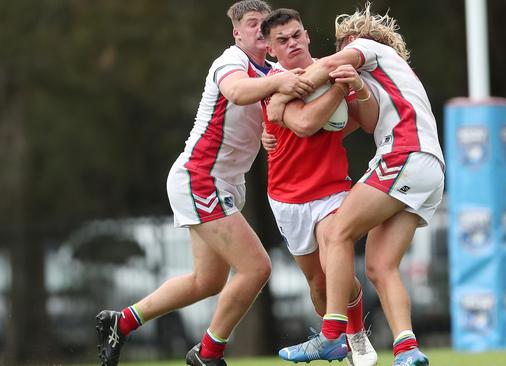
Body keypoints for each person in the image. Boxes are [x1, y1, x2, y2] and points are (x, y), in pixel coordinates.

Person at [94, 2, 316, 366]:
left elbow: (275, 107)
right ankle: (208, 354)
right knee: (257, 267)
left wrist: (269, 127)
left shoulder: (272, 70)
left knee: (207, 281)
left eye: (265, 24)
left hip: (222, 184)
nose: (260, 30)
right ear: (237, 33)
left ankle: (122, 322)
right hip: (201, 179)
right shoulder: (230, 62)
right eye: (252, 24)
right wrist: (278, 84)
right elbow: (237, 92)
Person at [268, 3, 445, 366]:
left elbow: (330, 66)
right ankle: (407, 350)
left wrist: (282, 93)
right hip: (427, 168)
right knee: (381, 265)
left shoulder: (372, 50)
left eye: (342, 46)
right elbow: (365, 120)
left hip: (404, 155)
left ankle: (332, 335)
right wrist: (356, 89)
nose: (337, 53)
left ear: (354, 40)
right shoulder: (385, 77)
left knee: (337, 234)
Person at [259, 9, 378, 366]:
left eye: (296, 35)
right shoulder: (274, 83)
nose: (291, 43)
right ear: (270, 49)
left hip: (331, 190)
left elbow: (366, 122)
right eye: (282, 40)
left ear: (307, 35)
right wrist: (340, 88)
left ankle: (351, 336)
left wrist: (353, 88)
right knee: (319, 285)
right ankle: (338, 341)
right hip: (287, 197)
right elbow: (307, 123)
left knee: (336, 258)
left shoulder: (332, 68)